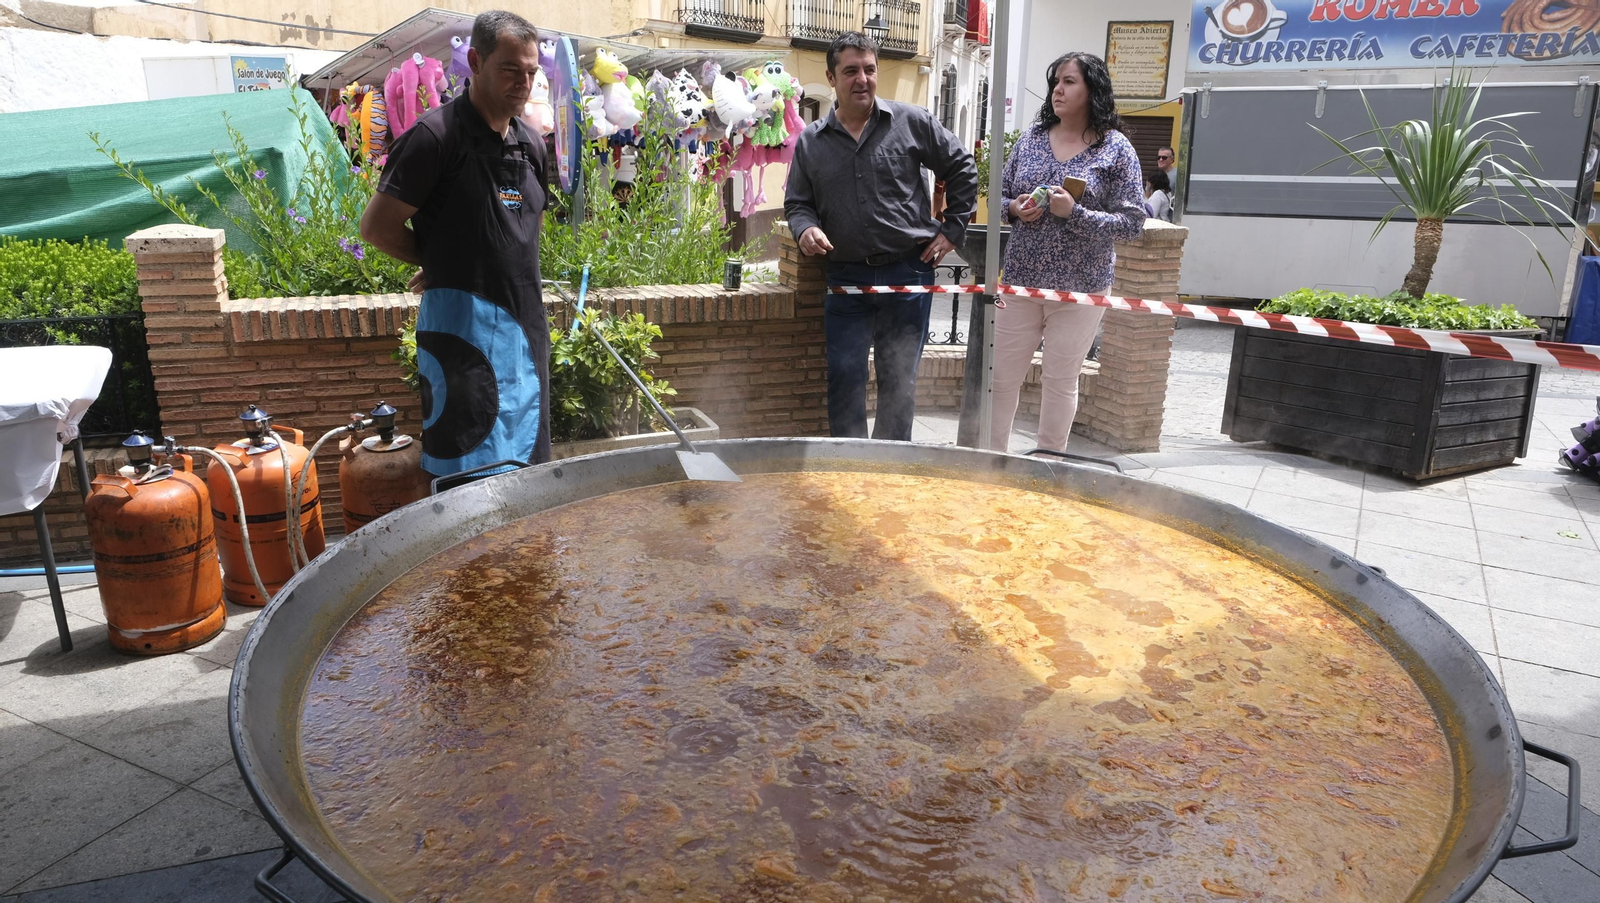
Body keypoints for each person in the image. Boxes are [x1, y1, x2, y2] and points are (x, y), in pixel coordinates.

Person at [359, 10, 551, 477]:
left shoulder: (532, 145)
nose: (522, 82)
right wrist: (441, 261)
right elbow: (376, 229)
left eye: (530, 71)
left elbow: (516, 236)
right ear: (475, 61)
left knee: (530, 472)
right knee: (469, 478)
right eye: (510, 69)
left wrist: (460, 253)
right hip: (462, 339)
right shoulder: (434, 138)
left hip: (525, 334)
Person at [784, 31, 978, 441]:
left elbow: (962, 166)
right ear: (831, 78)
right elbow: (798, 203)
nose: (863, 79)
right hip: (846, 277)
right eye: (851, 71)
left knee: (899, 381)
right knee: (844, 378)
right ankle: (850, 468)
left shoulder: (913, 122)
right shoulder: (811, 142)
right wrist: (806, 228)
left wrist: (953, 231)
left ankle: (890, 471)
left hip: (909, 272)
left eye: (869, 70)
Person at [988, 51, 1145, 454]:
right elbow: (996, 198)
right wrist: (1013, 208)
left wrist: (1075, 214)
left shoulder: (1116, 149)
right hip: (1021, 282)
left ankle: (1047, 461)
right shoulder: (1031, 139)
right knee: (1002, 377)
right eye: (1055, 81)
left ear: (1093, 89)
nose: (1058, 89)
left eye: (1069, 81)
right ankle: (989, 461)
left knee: (1060, 379)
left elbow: (1131, 224)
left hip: (1081, 288)